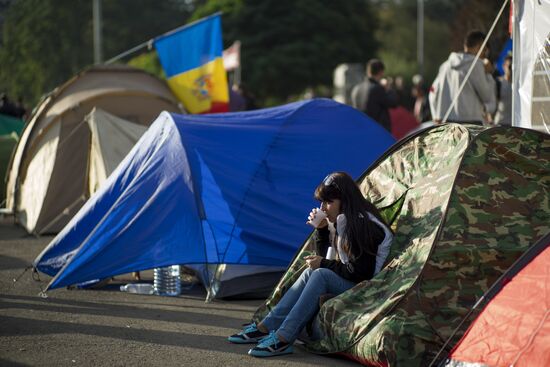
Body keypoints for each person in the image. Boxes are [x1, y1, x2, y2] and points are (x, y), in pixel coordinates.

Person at [227, 172, 394, 358]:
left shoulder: (363, 224)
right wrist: (321, 231)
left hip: (369, 287)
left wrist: (323, 263)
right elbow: (327, 258)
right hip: (355, 279)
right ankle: (266, 326)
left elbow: (361, 272)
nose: (323, 208)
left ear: (344, 200)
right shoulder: (343, 219)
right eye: (322, 202)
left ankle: (284, 337)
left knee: (320, 274)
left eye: (328, 202)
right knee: (311, 272)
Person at [429, 30, 496, 125]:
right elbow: (487, 96)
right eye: (484, 50)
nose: (484, 55)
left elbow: (432, 92)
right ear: (479, 47)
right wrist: (488, 74)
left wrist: (436, 115)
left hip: (447, 122)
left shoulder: (445, 65)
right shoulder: (475, 64)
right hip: (471, 122)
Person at [351, 59, 398, 132]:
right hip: (377, 131)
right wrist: (388, 89)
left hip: (361, 130)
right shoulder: (377, 88)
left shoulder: (356, 89)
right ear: (380, 72)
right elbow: (393, 103)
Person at [494, 54, 512, 126]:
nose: (511, 69)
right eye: (509, 66)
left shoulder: (519, 85)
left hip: (515, 123)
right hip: (500, 123)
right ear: (504, 66)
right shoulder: (498, 82)